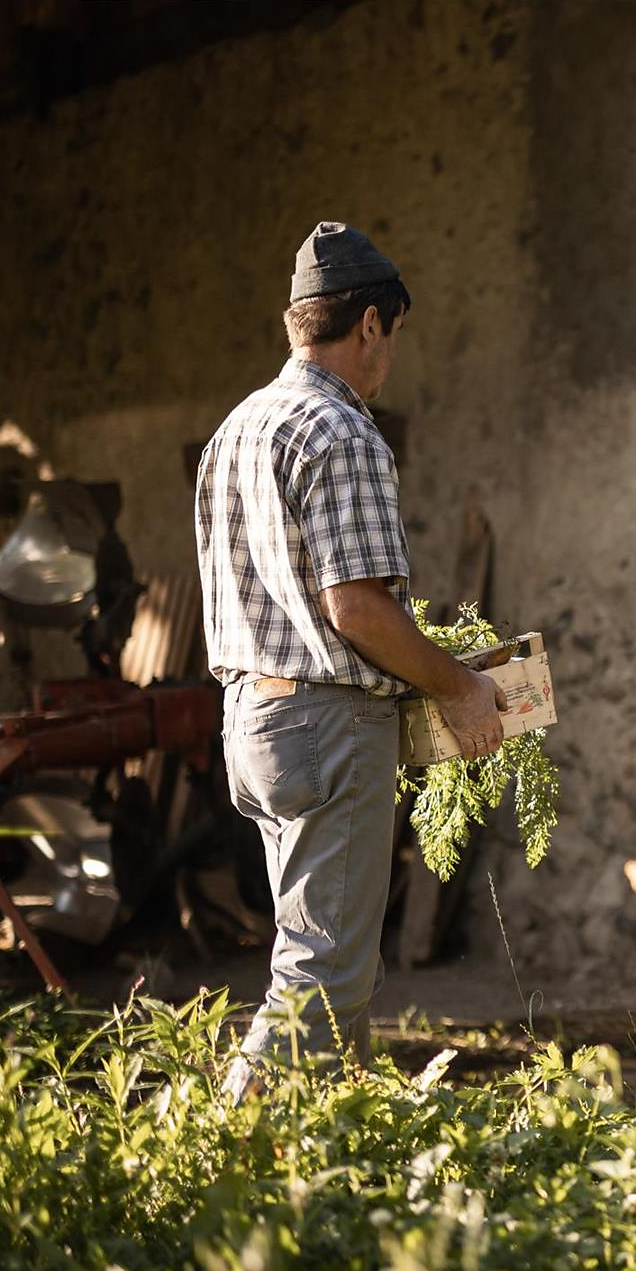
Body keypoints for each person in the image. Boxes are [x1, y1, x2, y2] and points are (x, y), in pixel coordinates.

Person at [196, 221, 506, 1090]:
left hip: (254, 722)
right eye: (394, 336)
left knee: (331, 964)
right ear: (370, 323)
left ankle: (336, 1153)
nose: (390, 358)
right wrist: (460, 686)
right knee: (321, 979)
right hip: (326, 730)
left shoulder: (237, 428)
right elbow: (358, 608)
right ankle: (215, 1143)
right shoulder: (342, 430)